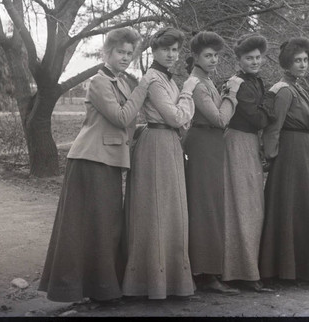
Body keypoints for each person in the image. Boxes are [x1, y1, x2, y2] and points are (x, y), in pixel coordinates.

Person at [38, 28, 156, 303]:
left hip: (108, 159)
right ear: (107, 52)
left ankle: (102, 288)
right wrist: (144, 87)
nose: (125, 57)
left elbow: (128, 123)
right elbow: (121, 117)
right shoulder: (100, 81)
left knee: (106, 225)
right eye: (120, 52)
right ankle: (91, 290)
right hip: (90, 160)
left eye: (129, 53)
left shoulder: (122, 82)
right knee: (91, 226)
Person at [122, 27, 199, 300]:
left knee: (171, 211)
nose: (171, 54)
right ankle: (150, 283)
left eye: (175, 49)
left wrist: (182, 109)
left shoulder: (167, 79)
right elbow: (177, 117)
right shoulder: (154, 79)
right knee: (156, 211)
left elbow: (181, 120)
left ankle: (170, 281)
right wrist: (189, 92)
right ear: (154, 51)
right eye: (165, 49)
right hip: (156, 144)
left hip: (169, 145)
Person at [259, 37, 309, 285]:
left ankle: (303, 267)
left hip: (302, 152)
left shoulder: (297, 87)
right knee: (290, 205)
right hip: (289, 154)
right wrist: (271, 158)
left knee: (303, 204)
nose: (302, 65)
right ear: (286, 64)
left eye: (304, 60)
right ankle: (286, 270)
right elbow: (273, 128)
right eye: (296, 61)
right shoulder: (283, 90)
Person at [183, 31, 243, 295]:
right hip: (202, 146)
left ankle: (206, 271)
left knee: (211, 206)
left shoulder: (205, 81)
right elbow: (220, 119)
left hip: (211, 146)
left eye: (216, 55)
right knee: (205, 208)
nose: (214, 60)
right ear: (195, 57)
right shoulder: (195, 83)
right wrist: (232, 94)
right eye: (208, 55)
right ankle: (205, 274)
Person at [220, 34, 275, 292]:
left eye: (257, 57)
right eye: (248, 58)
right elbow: (257, 120)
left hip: (249, 144)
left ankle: (248, 268)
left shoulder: (256, 81)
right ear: (239, 60)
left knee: (252, 205)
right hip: (238, 142)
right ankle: (239, 271)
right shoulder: (238, 83)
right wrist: (268, 108)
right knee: (242, 204)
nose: (254, 62)